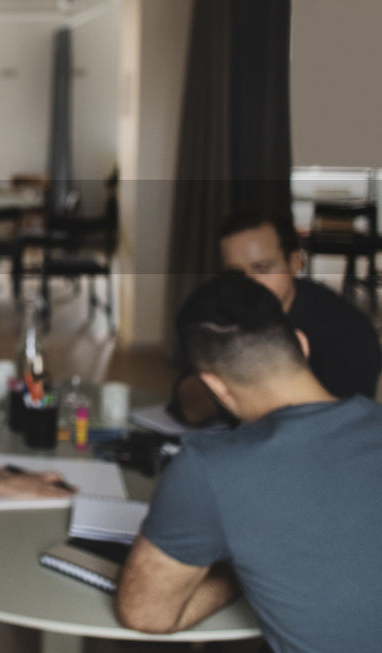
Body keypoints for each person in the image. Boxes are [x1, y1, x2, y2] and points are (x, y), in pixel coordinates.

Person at [116, 273, 382, 649]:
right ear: (302, 345)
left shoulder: (207, 469)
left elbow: (146, 613)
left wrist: (237, 573)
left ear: (216, 387)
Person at [172, 209, 381, 424]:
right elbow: (188, 408)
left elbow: (348, 428)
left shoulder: (348, 332)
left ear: (295, 263)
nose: (249, 283)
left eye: (263, 268)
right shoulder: (223, 315)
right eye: (235, 274)